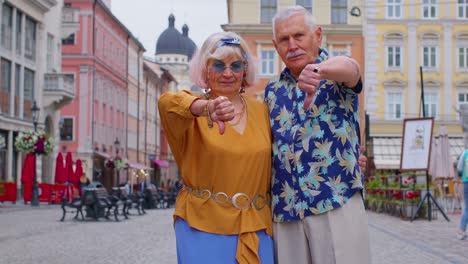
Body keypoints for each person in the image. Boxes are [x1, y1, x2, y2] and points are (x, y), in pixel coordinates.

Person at [264, 6, 369, 263]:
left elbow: (352, 69)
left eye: (299, 35)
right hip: (287, 209)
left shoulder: (336, 74)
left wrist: (318, 71)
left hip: (335, 200)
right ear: (275, 46)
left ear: (318, 36)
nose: (292, 45)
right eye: (284, 39)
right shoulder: (272, 91)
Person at [158, 31, 274, 264]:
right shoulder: (191, 110)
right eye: (218, 65)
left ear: (245, 70)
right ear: (205, 70)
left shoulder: (262, 111)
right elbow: (166, 103)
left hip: (256, 225)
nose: (228, 73)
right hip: (203, 225)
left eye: (236, 65)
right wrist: (204, 108)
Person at [456, 149, 468, 240]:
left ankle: (461, 231)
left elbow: (459, 168)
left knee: (467, 208)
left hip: (467, 182)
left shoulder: (465, 152)